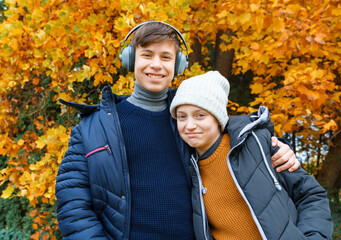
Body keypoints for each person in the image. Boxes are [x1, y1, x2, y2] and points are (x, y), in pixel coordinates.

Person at [55, 21, 300, 239]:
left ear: (178, 64)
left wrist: (274, 147)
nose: (156, 65)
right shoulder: (92, 127)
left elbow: (240, 142)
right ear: (130, 60)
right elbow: (73, 202)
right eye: (147, 55)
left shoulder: (189, 119)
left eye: (165, 57)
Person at [170, 71, 333, 240]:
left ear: (217, 118)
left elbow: (311, 195)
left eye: (200, 115)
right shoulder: (187, 167)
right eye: (182, 117)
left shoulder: (256, 144)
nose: (189, 125)